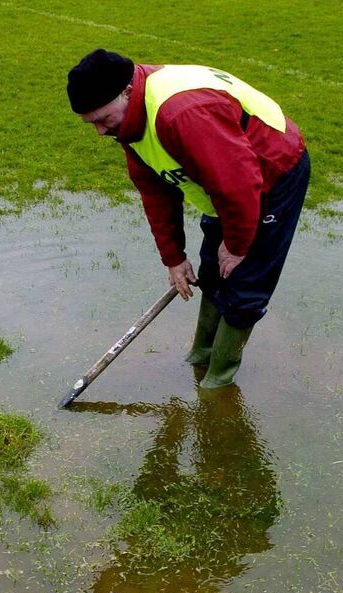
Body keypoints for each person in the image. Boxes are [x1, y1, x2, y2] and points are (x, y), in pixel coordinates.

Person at [67, 49, 311, 388]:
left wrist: (238, 245)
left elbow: (238, 185)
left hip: (270, 170)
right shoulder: (129, 119)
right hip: (224, 177)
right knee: (213, 269)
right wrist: (174, 258)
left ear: (126, 91)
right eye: (91, 123)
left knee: (244, 281)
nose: (99, 131)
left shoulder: (182, 114)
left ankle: (217, 383)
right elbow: (156, 191)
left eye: (102, 119)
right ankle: (200, 355)